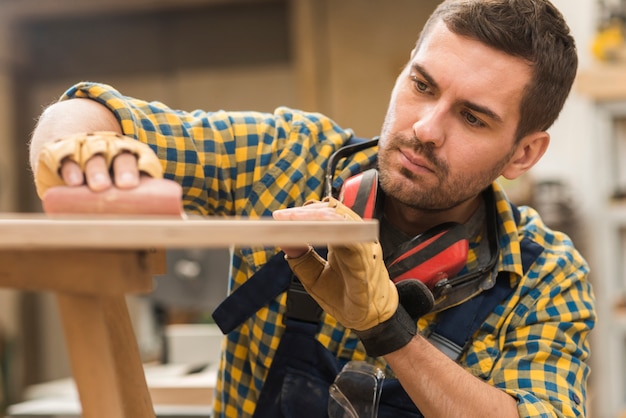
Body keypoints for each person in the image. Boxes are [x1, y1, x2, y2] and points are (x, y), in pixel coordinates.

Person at [28, 0, 596, 417]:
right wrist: (85, 152)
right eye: (421, 85)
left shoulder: (545, 273)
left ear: (524, 152)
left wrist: (388, 330)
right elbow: (87, 109)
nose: (425, 129)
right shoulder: (286, 158)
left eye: (472, 118)